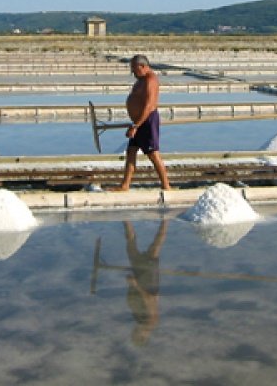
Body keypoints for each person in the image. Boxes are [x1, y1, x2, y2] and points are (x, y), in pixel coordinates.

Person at [111, 54, 171, 191]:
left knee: (153, 153)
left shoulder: (150, 80)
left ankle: (166, 186)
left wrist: (136, 125)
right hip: (138, 122)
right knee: (131, 151)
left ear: (143, 66)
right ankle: (125, 185)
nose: (132, 72)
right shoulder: (141, 78)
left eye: (134, 69)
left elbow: (149, 106)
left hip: (147, 121)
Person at [123, 219, 168, 345]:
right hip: (148, 283)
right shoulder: (149, 321)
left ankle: (126, 219)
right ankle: (166, 219)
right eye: (135, 334)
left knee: (131, 247)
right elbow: (148, 299)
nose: (133, 331)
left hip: (142, 281)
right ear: (142, 336)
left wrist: (132, 284)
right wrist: (134, 284)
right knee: (155, 247)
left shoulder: (141, 322)